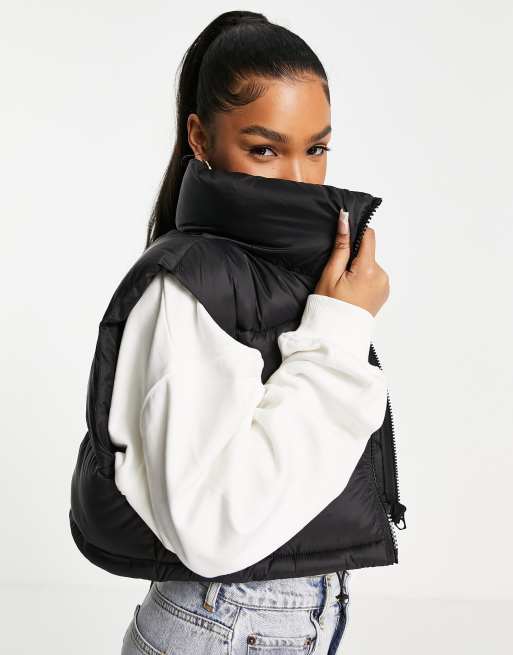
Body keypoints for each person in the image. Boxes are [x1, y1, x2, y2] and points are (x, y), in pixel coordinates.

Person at [114, 10, 390, 655]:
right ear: (201, 139)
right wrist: (342, 327)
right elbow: (212, 531)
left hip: (269, 620)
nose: (298, 179)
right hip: (225, 624)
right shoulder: (192, 285)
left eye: (315, 149)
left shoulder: (274, 271)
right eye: (265, 149)